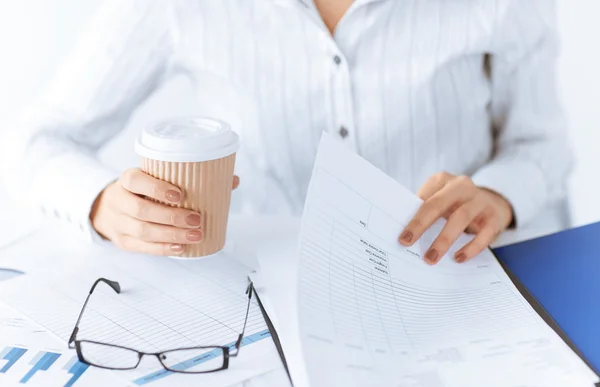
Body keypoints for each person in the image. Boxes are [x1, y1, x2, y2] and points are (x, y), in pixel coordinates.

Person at [0, 0, 571, 264]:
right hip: (266, 299)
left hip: (451, 282)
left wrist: (497, 196)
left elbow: (541, 146)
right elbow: (39, 139)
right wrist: (101, 203)